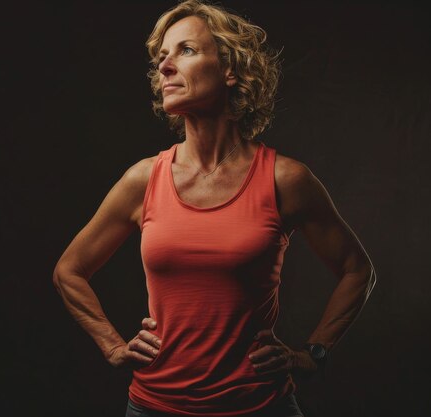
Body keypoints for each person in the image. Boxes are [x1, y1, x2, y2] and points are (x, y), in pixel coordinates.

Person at [52, 1, 376, 416]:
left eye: (185, 50)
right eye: (161, 56)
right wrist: (112, 345)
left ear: (231, 69)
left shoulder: (285, 179)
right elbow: (69, 270)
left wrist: (312, 353)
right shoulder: (144, 179)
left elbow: (357, 270)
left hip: (259, 406)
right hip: (154, 407)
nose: (165, 66)